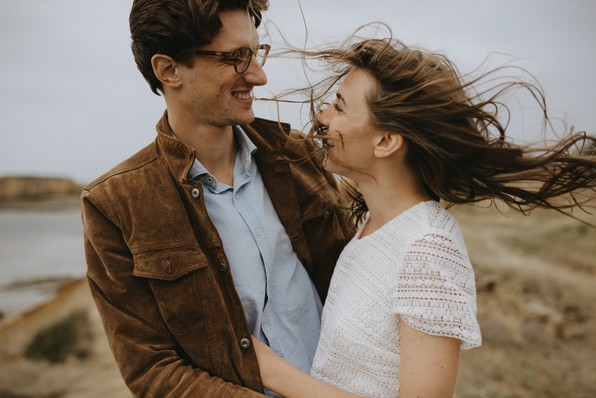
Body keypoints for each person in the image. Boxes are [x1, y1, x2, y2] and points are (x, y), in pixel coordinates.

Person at [251, 36, 596, 398]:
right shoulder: (371, 231)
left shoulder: (428, 248)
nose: (322, 116)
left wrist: (275, 372)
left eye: (339, 107)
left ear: (386, 141)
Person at [80, 1, 354, 396]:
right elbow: (152, 371)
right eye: (235, 58)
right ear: (168, 69)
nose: (258, 76)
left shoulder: (297, 155)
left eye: (256, 52)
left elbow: (354, 282)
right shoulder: (115, 204)